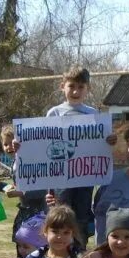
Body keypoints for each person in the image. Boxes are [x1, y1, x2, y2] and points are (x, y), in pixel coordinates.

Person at [44, 67, 117, 245]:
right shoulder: (54, 113)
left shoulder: (93, 114)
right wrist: (48, 189)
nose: (76, 91)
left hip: (85, 176)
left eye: (81, 87)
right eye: (71, 86)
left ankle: (80, 251)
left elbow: (99, 144)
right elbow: (42, 146)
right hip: (61, 177)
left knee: (82, 216)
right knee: (60, 215)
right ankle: (59, 249)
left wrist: (109, 140)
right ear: (63, 86)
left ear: (87, 88)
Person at [0, 124, 47, 235]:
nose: (9, 147)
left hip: (39, 215)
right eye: (5, 144)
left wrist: (20, 192)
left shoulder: (32, 161)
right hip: (25, 213)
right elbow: (16, 187)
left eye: (12, 143)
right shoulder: (15, 163)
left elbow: (43, 190)